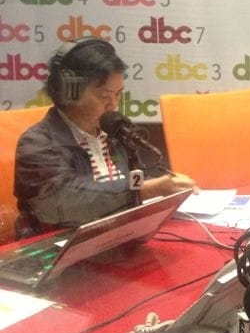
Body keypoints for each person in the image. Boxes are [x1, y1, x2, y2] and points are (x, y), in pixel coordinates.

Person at [14, 37, 195, 238]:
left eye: (118, 94)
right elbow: (64, 201)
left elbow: (127, 183)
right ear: (68, 92)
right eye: (104, 96)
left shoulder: (114, 133)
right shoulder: (37, 143)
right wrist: (147, 189)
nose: (113, 105)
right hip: (59, 246)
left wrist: (168, 187)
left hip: (117, 240)